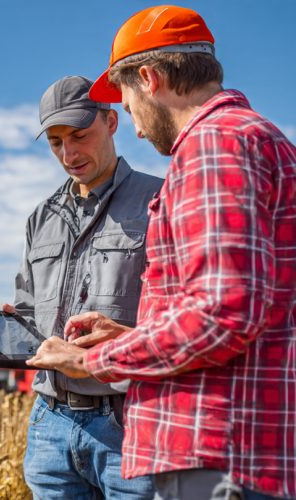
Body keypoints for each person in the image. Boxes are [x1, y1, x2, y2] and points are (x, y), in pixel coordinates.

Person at [28, 6, 296, 500]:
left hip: (219, 451)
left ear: (149, 79)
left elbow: (222, 313)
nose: (136, 127)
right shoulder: (244, 139)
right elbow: (238, 310)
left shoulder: (215, 146)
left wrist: (94, 359)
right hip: (229, 446)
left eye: (128, 107)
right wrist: (133, 334)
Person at [5, 75, 161, 498]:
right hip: (49, 426)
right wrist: (10, 333)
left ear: (112, 122)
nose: (68, 153)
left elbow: (177, 321)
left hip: (128, 424)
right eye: (55, 142)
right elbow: (26, 310)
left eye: (79, 135)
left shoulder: (160, 201)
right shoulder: (41, 218)